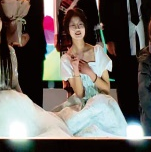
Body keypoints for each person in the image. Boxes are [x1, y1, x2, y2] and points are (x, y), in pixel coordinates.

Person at [0, 4, 69, 138]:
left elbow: (14, 83)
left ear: (3, 22)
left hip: (7, 97)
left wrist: (24, 101)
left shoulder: (10, 51)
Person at [52, 8, 127, 137]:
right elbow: (80, 93)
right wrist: (76, 69)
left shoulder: (97, 51)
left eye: (80, 24)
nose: (77, 28)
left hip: (102, 102)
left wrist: (89, 72)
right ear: (68, 30)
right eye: (73, 25)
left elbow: (106, 89)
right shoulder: (66, 59)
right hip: (81, 106)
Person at [9, 0, 47, 107]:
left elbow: (39, 16)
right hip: (15, 49)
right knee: (18, 92)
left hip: (34, 47)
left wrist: (27, 34)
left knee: (35, 92)